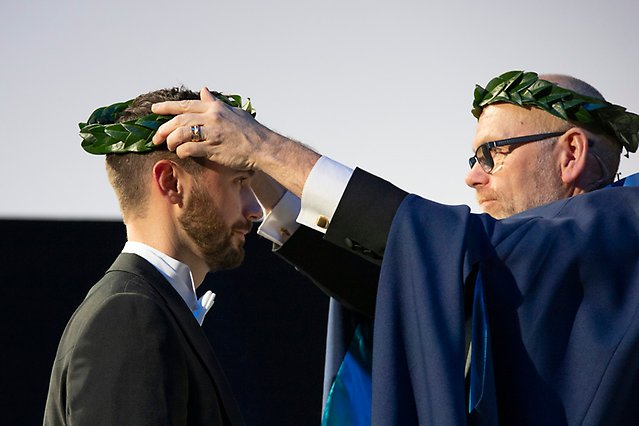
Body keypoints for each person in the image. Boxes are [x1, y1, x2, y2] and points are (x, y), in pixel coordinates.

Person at [151, 71, 639, 424]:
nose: (472, 176)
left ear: (571, 153)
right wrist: (259, 175)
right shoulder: (532, 264)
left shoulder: (623, 223)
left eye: (493, 153)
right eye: (474, 156)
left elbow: (453, 247)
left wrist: (261, 145)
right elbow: (409, 285)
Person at [44, 87, 262, 425]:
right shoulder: (128, 317)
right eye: (239, 182)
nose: (254, 210)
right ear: (171, 182)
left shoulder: (145, 307)